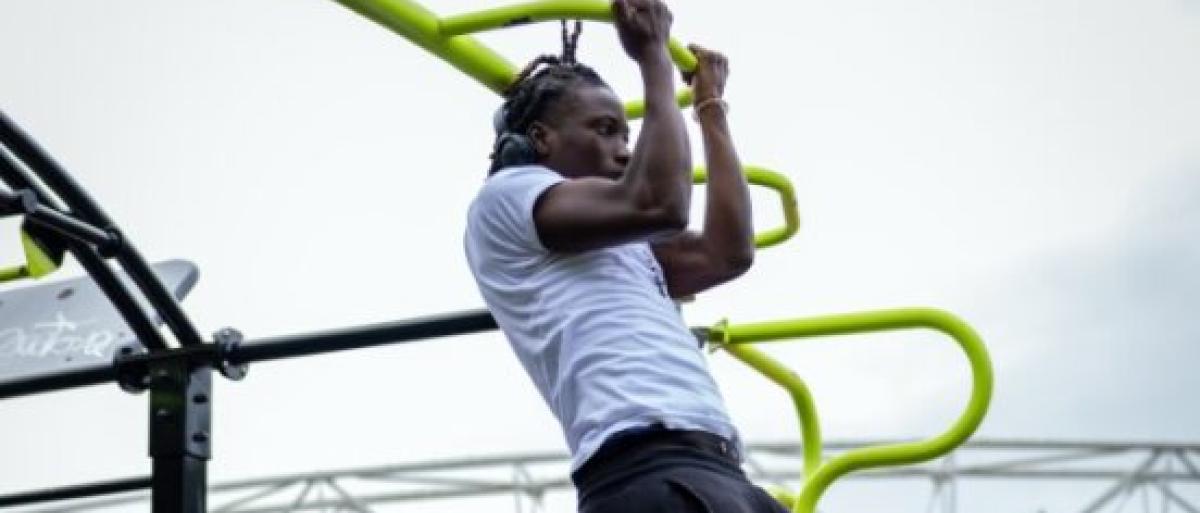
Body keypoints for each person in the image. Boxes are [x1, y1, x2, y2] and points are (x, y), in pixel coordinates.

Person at [465, 0, 785, 510]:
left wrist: (710, 109)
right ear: (541, 139)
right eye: (605, 129)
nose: (624, 150)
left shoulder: (627, 241)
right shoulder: (509, 196)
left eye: (628, 134)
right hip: (642, 467)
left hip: (718, 462)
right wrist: (653, 56)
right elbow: (661, 202)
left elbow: (727, 253)